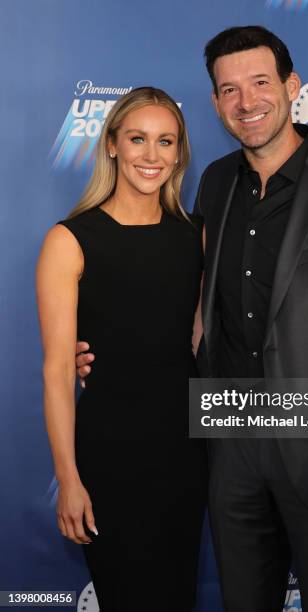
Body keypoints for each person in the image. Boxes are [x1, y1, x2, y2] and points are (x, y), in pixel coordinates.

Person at [77, 26, 308, 612]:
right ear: (214, 103)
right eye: (229, 90)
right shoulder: (216, 182)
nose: (246, 102)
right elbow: (189, 299)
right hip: (228, 444)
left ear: (292, 86)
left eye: (259, 83)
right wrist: (106, 348)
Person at [37, 87, 207, 612]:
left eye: (165, 141)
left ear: (179, 153)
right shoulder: (70, 240)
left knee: (175, 594)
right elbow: (57, 373)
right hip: (109, 454)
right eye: (138, 139)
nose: (151, 156)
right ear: (112, 144)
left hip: (184, 453)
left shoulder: (195, 236)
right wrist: (68, 479)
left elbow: (197, 340)